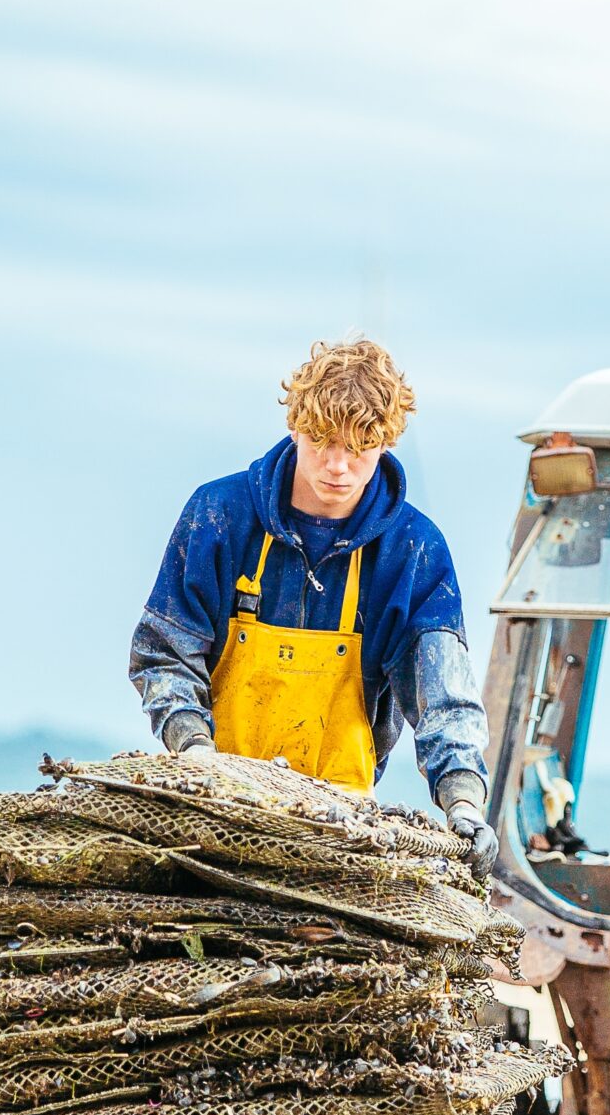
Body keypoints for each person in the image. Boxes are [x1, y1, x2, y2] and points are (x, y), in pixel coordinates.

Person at [130, 337, 499, 877]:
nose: (337, 466)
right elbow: (163, 654)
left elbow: (444, 699)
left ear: (387, 442)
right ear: (295, 425)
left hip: (339, 828)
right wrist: (193, 749)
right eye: (321, 440)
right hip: (212, 808)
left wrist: (463, 801)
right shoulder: (218, 515)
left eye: (359, 448)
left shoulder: (413, 550)